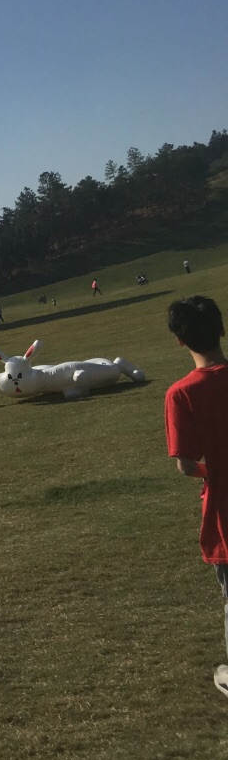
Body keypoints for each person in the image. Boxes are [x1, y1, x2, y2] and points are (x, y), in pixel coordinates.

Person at [164, 296, 228, 697]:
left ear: (180, 341)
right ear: (222, 328)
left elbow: (187, 465)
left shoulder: (181, 393)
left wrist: (215, 472)